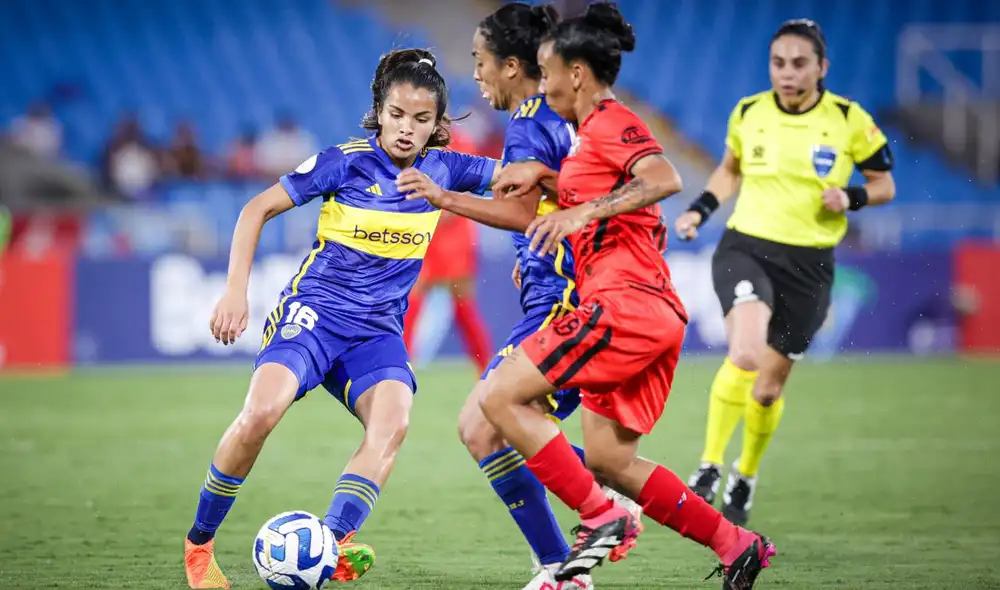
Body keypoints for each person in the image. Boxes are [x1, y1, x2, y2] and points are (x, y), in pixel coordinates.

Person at [472, 4, 775, 587]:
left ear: (577, 74)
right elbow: (611, 197)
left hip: (622, 307)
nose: (543, 82)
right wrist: (548, 184)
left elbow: (665, 178)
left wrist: (577, 210)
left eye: (547, 69)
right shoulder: (586, 139)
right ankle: (736, 543)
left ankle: (599, 514)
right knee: (611, 461)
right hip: (649, 310)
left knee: (498, 400)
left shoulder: (610, 121)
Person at [182, 49, 499, 589]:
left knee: (393, 422)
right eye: (397, 114)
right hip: (315, 314)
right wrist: (235, 291)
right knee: (261, 413)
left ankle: (329, 544)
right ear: (379, 110)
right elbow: (255, 208)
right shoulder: (345, 160)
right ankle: (198, 545)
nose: (406, 128)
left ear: (438, 126)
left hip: (376, 333)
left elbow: (524, 181)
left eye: (421, 120)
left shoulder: (447, 170)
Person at [397, 4, 639, 588]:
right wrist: (536, 253)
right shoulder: (564, 114)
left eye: (481, 63)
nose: (476, 76)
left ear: (512, 65)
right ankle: (586, 530)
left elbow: (521, 207)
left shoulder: (533, 119)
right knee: (491, 424)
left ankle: (588, 529)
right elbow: (559, 199)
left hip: (565, 303)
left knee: (482, 424)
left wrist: (444, 197)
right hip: (575, 290)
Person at [679, 19, 895, 527]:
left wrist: (853, 197)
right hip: (746, 247)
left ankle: (744, 474)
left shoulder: (848, 119)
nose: (787, 73)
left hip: (810, 265)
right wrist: (699, 210)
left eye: (799, 64)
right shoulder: (749, 112)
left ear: (821, 67)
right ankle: (708, 466)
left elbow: (884, 183)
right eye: (779, 63)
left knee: (768, 390)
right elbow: (729, 169)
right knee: (746, 352)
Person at [403, 127, 493, 373]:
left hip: (453, 237)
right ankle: (401, 368)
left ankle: (485, 367)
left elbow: (467, 190)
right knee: (411, 300)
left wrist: (431, 212)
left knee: (462, 304)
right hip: (423, 235)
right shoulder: (413, 141)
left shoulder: (462, 143)